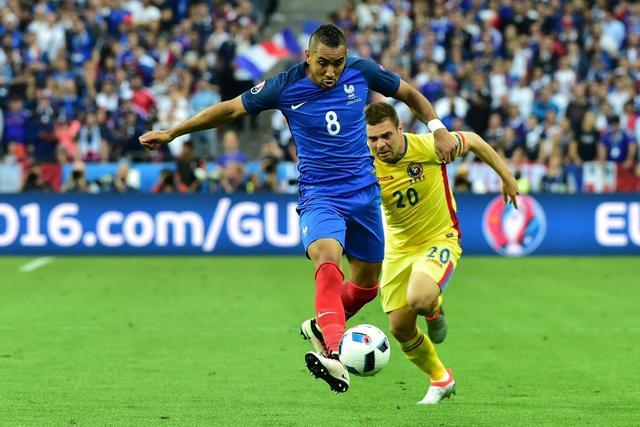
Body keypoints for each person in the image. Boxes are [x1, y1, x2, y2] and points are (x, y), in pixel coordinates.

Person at [139, 24, 457, 393]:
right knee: (327, 258)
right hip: (320, 195)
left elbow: (409, 93)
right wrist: (172, 133)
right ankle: (334, 354)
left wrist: (437, 127)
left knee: (367, 285)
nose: (331, 71)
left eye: (337, 63)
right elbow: (229, 109)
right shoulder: (284, 86)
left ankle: (322, 326)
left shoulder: (362, 71)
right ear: (308, 56)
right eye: (323, 63)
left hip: (364, 194)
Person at [363, 102, 518, 404]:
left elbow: (474, 140)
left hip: (439, 238)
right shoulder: (364, 163)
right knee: (399, 328)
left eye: (386, 136)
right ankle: (440, 379)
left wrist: (506, 176)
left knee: (420, 299)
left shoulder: (428, 146)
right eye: (373, 139)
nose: (380, 145)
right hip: (398, 248)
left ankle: (433, 307)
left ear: (400, 129)